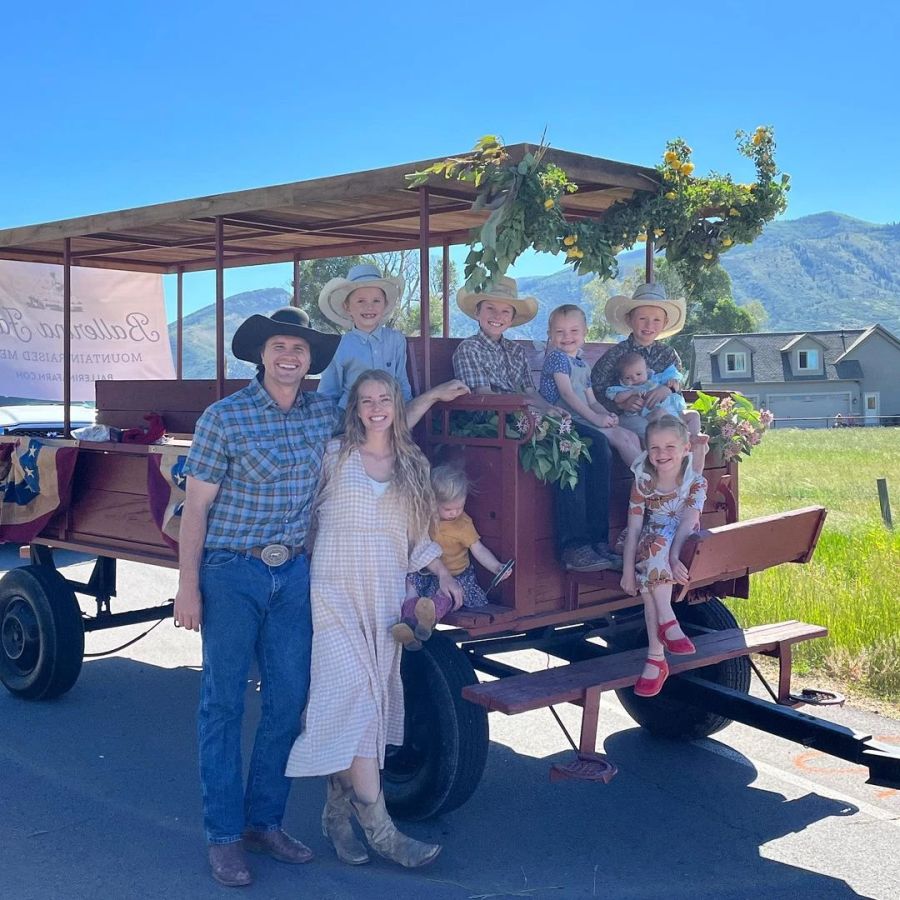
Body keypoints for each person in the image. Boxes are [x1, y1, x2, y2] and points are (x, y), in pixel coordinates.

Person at [173, 308, 467, 887]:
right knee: (224, 704)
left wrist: (427, 397)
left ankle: (265, 823)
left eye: (300, 349)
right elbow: (197, 508)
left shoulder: (319, 417)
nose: (290, 356)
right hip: (234, 572)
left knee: (287, 705)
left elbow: (382, 420)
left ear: (310, 362)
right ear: (262, 354)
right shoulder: (224, 418)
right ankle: (225, 837)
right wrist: (188, 586)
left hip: (296, 576)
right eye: (280, 346)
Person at [285, 370, 462, 869]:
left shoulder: (412, 464)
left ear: (395, 403)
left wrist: (443, 573)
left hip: (382, 596)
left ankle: (335, 816)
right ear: (355, 408)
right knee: (355, 697)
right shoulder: (334, 455)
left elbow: (415, 534)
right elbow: (303, 517)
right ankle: (382, 830)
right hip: (333, 590)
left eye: (384, 399)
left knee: (367, 704)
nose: (376, 408)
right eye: (366, 401)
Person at [452, 279, 613, 573]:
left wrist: (549, 409)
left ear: (512, 318)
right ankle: (573, 546)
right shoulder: (469, 349)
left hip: (528, 417)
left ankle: (598, 540)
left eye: (505, 311)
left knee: (598, 444)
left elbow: (530, 390)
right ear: (477, 312)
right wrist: (530, 410)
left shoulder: (515, 352)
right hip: (493, 426)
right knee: (570, 451)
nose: (498, 316)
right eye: (491, 308)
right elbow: (483, 396)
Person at [619, 415, 707, 698]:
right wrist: (627, 571)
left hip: (680, 541)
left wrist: (673, 557)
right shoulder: (644, 481)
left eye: (670, 446)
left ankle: (657, 657)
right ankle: (666, 629)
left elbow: (687, 524)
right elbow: (633, 528)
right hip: (648, 541)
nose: (661, 454)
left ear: (685, 449)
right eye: (654, 448)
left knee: (651, 580)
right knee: (653, 543)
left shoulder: (696, 483)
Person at [392, 463, 512, 651]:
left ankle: (426, 622)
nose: (455, 513)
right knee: (410, 584)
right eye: (448, 509)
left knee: (447, 595)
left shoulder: (462, 524)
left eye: (460, 507)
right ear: (432, 502)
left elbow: (478, 549)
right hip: (427, 573)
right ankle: (407, 621)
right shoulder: (424, 518)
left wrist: (496, 566)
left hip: (456, 576)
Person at [539, 304, 641, 466]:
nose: (567, 336)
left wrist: (607, 415)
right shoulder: (556, 358)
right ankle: (649, 484)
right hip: (565, 419)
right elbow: (567, 394)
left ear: (585, 332)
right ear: (550, 335)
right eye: (559, 332)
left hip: (584, 416)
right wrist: (595, 418)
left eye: (574, 331)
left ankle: (643, 484)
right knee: (619, 438)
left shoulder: (583, 366)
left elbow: (592, 401)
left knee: (631, 436)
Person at [590, 282, 688, 436]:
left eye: (656, 320)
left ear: (665, 323)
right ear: (629, 320)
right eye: (642, 318)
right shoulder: (615, 355)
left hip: (665, 414)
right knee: (651, 429)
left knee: (685, 425)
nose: (649, 325)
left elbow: (678, 386)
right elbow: (595, 391)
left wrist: (667, 389)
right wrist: (623, 404)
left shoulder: (668, 354)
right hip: (628, 419)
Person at [316, 263, 413, 409]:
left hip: (387, 415)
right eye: (361, 301)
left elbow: (401, 382)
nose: (369, 307)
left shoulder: (396, 340)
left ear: (385, 304)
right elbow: (328, 391)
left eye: (376, 300)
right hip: (350, 417)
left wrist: (405, 417)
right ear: (347, 307)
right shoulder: (338, 346)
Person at [606, 351, 707, 472]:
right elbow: (616, 397)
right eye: (628, 377)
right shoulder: (628, 388)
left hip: (675, 412)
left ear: (647, 371)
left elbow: (676, 382)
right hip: (651, 414)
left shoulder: (655, 379)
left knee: (694, 415)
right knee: (659, 413)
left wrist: (671, 386)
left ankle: (693, 438)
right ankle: (684, 437)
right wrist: (631, 394)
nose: (635, 379)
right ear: (621, 379)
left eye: (639, 374)